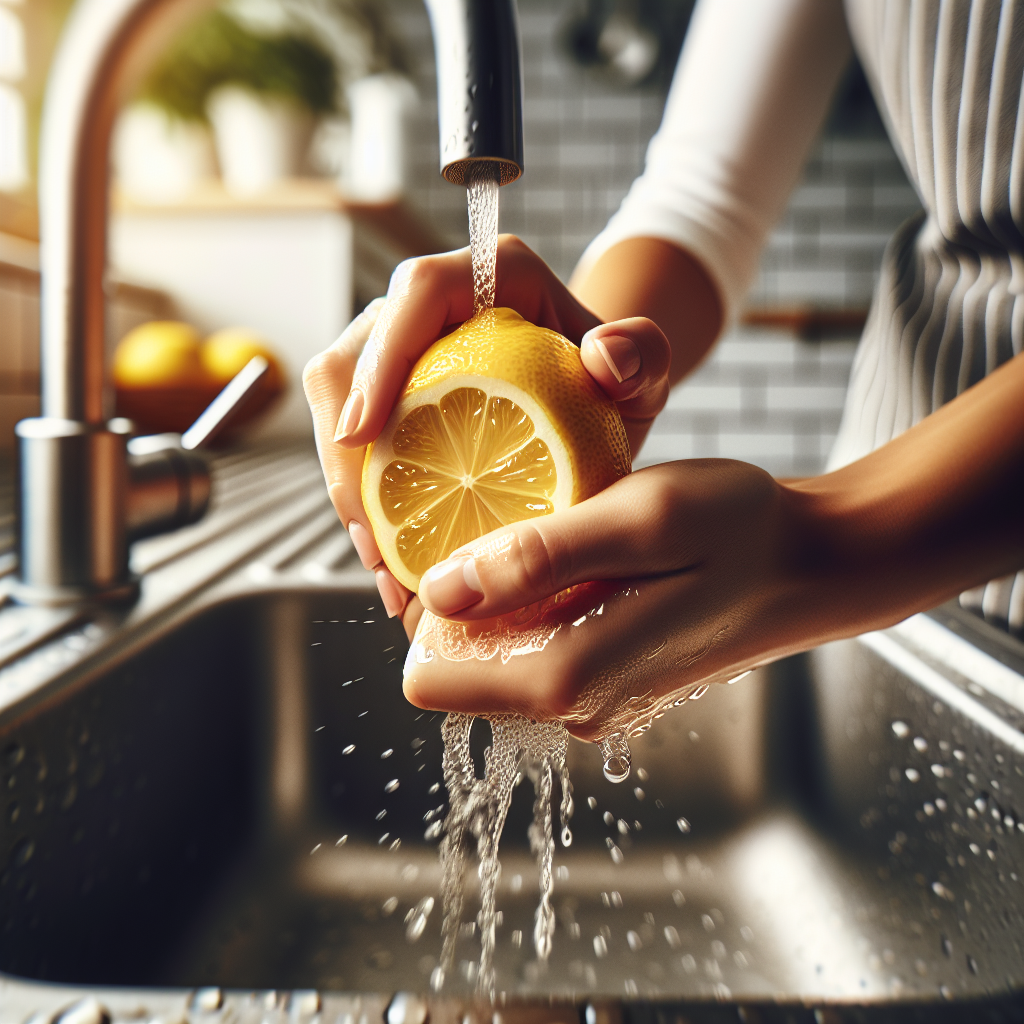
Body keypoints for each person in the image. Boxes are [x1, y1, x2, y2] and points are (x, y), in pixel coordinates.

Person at [303, 0, 1023, 741]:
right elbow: (704, 197)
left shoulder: (838, 547)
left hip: (906, 538)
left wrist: (832, 537)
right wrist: (572, 371)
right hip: (883, 581)